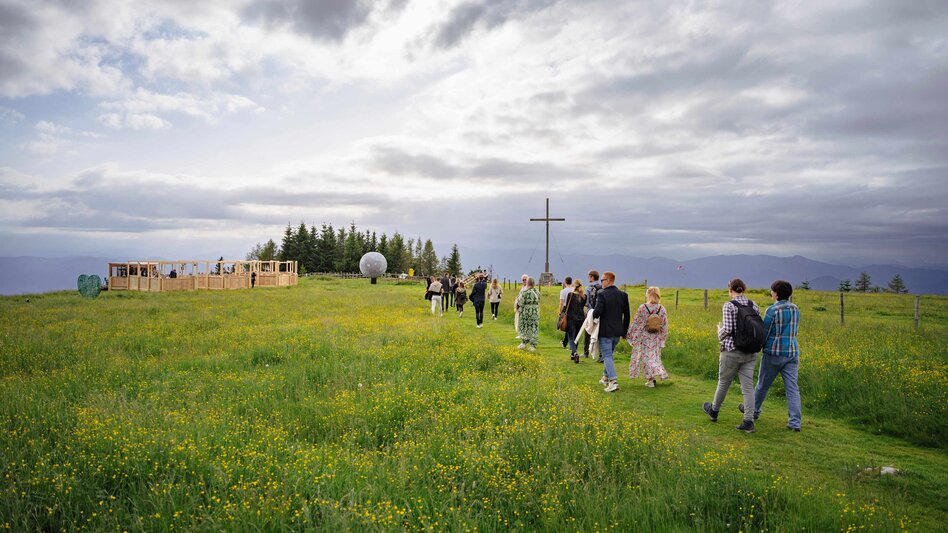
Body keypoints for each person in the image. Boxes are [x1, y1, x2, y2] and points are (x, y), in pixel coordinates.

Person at [743, 280, 802, 432]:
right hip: (792, 352)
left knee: (763, 384)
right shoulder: (796, 309)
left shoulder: (772, 310)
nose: (771, 293)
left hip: (773, 353)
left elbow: (765, 332)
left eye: (771, 291)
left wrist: (757, 347)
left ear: (776, 293)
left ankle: (754, 412)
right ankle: (795, 422)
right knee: (792, 388)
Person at [703, 278, 760, 433]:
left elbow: (728, 329)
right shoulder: (753, 304)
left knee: (724, 382)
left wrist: (718, 331)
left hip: (732, 352)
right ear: (744, 289)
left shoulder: (729, 305)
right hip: (750, 352)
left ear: (730, 290)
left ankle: (714, 411)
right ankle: (748, 421)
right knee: (747, 387)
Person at [593, 272, 630, 392]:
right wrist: (624, 331)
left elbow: (597, 313)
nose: (601, 282)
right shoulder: (623, 295)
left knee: (607, 355)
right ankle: (605, 377)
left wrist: (591, 313)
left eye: (602, 280)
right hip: (617, 332)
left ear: (608, 280)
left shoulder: (602, 294)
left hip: (605, 331)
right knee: (609, 354)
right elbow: (627, 315)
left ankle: (613, 381)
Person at [627, 287, 669, 387]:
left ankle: (654, 376)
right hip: (656, 337)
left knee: (647, 359)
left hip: (644, 336)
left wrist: (630, 333)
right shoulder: (661, 308)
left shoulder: (643, 307)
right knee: (654, 357)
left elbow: (636, 322)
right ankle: (652, 378)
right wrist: (663, 337)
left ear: (648, 295)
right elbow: (664, 324)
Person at [565, 279, 587, 363]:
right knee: (576, 337)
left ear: (574, 286)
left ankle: (575, 353)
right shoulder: (584, 296)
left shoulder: (570, 295)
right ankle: (572, 354)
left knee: (571, 337)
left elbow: (567, 306)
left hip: (571, 318)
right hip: (581, 319)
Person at [516, 277, 540, 351]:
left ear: (527, 283)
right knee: (534, 328)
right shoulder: (537, 292)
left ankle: (524, 342)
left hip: (526, 312)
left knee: (525, 327)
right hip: (535, 312)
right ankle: (533, 345)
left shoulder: (525, 292)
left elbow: (520, 303)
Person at [584, 270, 602, 359]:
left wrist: (590, 310)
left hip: (590, 312)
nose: (588, 278)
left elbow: (586, 302)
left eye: (589, 276)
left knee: (587, 331)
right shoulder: (601, 287)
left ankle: (586, 352)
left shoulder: (588, 288)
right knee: (599, 333)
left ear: (592, 277)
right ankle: (601, 355)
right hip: (600, 313)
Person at [558, 277, 574, 348]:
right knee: (570, 326)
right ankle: (565, 342)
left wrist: (560, 311)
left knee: (566, 325)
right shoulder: (574, 290)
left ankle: (567, 343)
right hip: (574, 309)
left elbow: (561, 303)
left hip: (566, 308)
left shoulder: (563, 291)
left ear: (565, 282)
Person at [514, 273, 528, 338]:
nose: (524, 281)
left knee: (523, 320)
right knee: (519, 320)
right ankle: (520, 333)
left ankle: (523, 334)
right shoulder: (522, 287)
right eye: (523, 280)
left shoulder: (527, 288)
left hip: (524, 306)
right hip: (520, 306)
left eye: (525, 280)